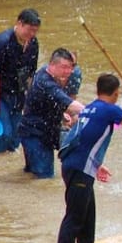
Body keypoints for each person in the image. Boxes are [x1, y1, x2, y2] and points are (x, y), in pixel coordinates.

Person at [55, 74, 122, 243]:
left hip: (75, 164)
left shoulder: (91, 108)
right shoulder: (108, 110)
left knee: (88, 210)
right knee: (75, 214)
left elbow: (84, 138)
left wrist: (98, 165)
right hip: (79, 167)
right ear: (116, 93)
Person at [0, 8, 41, 154]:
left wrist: (30, 100)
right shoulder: (0, 43)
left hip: (17, 91)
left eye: (35, 31)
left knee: (15, 138)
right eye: (29, 30)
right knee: (3, 135)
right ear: (19, 23)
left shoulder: (33, 44)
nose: (31, 34)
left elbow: (30, 73)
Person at [18, 48, 85, 179]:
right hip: (35, 135)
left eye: (70, 68)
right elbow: (70, 103)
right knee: (45, 178)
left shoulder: (48, 73)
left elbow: (51, 102)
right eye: (64, 67)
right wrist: (97, 112)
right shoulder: (46, 82)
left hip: (41, 132)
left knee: (32, 175)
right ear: (52, 65)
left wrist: (61, 113)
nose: (68, 71)